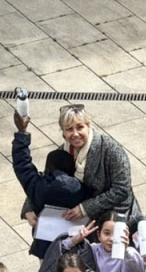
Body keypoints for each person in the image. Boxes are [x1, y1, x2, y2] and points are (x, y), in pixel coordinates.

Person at [22, 103, 141, 232]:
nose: (75, 134)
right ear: (63, 133)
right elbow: (45, 183)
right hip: (78, 220)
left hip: (115, 216)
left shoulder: (110, 149)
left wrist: (85, 209)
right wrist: (29, 207)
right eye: (69, 129)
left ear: (88, 126)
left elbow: (121, 190)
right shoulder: (61, 153)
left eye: (80, 127)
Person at [11, 110, 88, 258]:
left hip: (45, 247)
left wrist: (22, 132)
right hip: (76, 247)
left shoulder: (38, 187)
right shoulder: (81, 189)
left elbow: (22, 164)